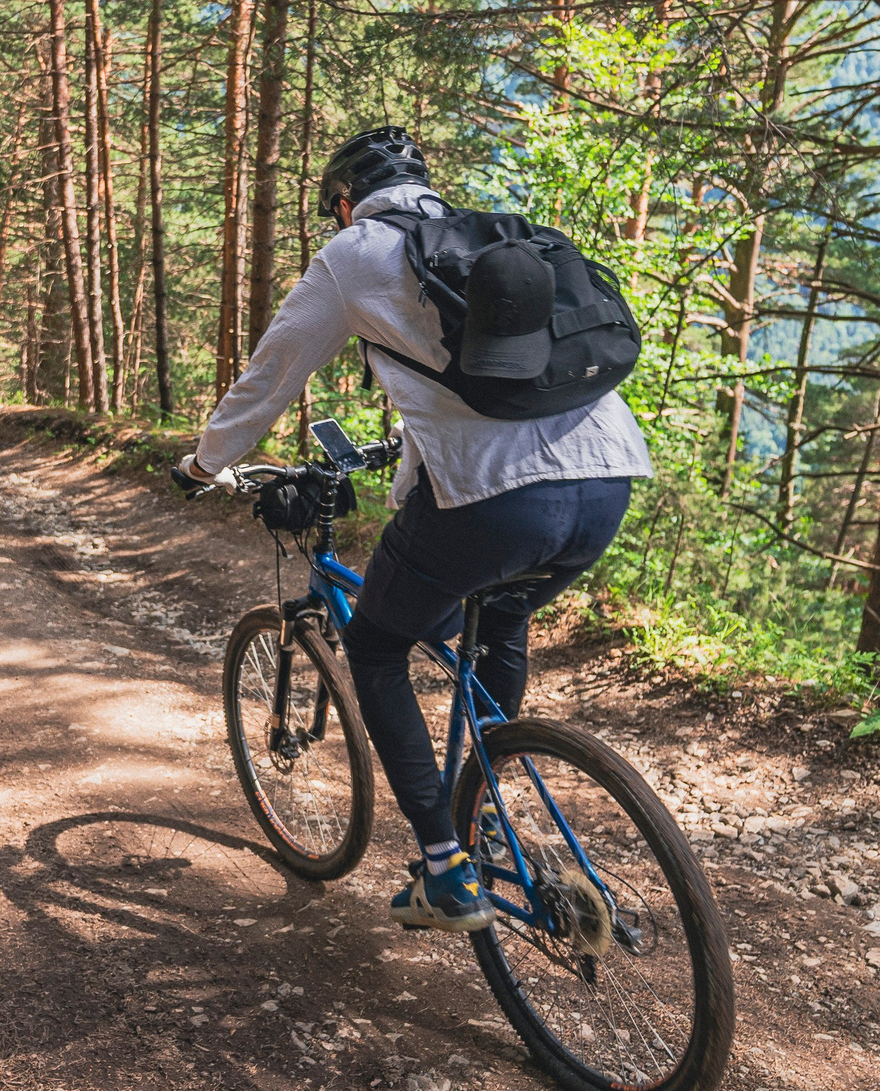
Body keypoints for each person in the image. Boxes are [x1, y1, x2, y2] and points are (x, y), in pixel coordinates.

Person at [174, 126, 651, 931]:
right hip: (609, 479)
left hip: (500, 501)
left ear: (343, 201)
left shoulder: (353, 255)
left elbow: (271, 373)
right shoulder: (489, 240)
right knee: (499, 615)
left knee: (376, 645)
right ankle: (487, 794)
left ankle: (444, 868)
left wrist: (203, 462)